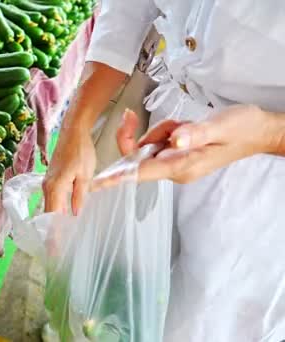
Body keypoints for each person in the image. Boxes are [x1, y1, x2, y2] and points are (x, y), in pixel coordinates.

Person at [42, 1, 285, 341]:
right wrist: (77, 125)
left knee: (199, 325)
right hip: (157, 127)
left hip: (261, 195)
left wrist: (271, 133)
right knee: (106, 307)